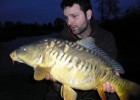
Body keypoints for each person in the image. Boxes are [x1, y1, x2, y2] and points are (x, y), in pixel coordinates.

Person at [45, 0, 124, 99]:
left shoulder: (105, 37)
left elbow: (113, 70)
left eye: (74, 16)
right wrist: (55, 81)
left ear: (88, 14)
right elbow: (55, 88)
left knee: (113, 95)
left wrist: (110, 83)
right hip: (67, 88)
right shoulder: (59, 41)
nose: (69, 22)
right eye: (66, 17)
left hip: (95, 87)